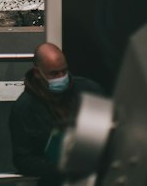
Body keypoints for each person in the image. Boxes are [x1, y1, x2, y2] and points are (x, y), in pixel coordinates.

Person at [9, 42, 101, 185]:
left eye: (64, 71)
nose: (61, 77)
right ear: (37, 73)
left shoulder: (89, 91)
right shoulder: (25, 108)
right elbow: (23, 159)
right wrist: (61, 169)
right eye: (54, 73)